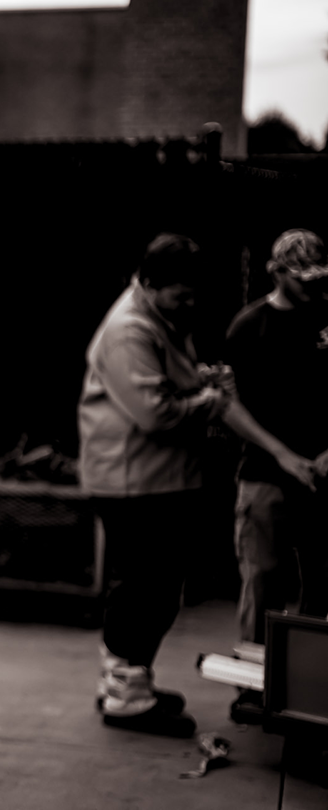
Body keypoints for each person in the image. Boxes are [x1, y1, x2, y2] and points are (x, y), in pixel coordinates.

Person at [78, 233, 231, 737]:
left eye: (194, 295)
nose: (190, 305)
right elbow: (154, 413)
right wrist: (212, 401)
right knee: (146, 590)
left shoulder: (161, 318)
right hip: (133, 481)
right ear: (147, 283)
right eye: (180, 296)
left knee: (152, 587)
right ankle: (127, 698)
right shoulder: (129, 330)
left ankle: (125, 683)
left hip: (153, 478)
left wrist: (199, 380)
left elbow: (168, 383)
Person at [221, 228, 328, 722]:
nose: (312, 286)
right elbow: (229, 405)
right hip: (264, 474)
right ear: (278, 273)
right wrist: (283, 454)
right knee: (261, 581)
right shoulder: (249, 327)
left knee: (320, 584)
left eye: (319, 277)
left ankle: (306, 688)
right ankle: (253, 685)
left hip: (321, 478)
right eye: (303, 278)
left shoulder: (326, 318)